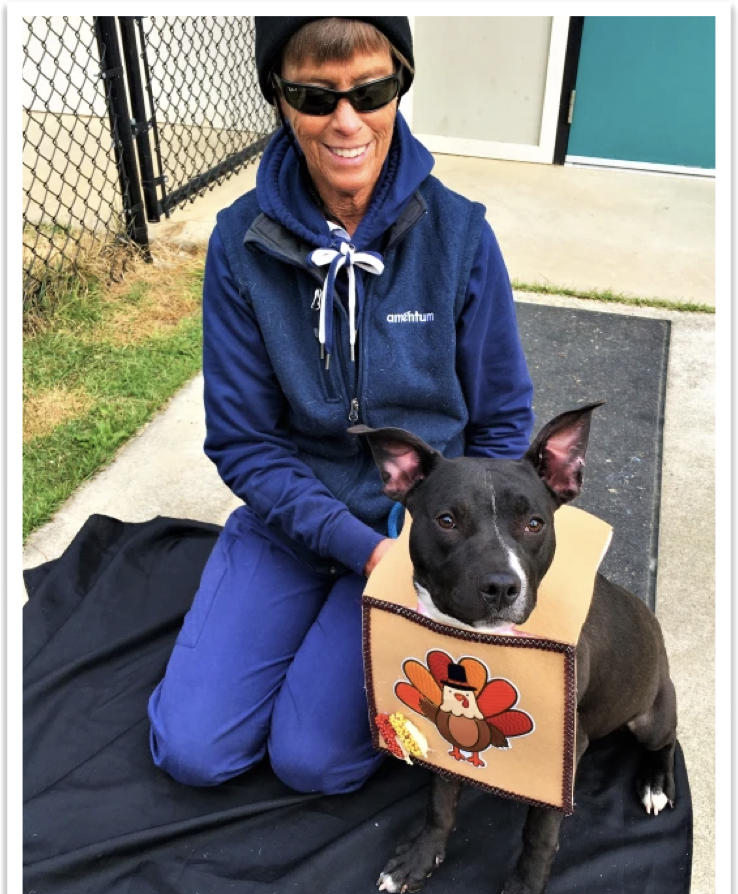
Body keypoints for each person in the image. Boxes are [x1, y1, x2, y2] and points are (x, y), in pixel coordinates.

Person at [147, 16, 534, 795]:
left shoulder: (461, 235)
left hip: (421, 536)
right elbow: (246, 443)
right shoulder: (238, 244)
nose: (347, 120)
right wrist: (355, 549)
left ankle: (335, 642)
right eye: (315, 97)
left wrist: (468, 545)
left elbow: (501, 422)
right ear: (279, 99)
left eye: (372, 90)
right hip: (294, 521)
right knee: (193, 750)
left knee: (314, 764)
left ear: (401, 83)